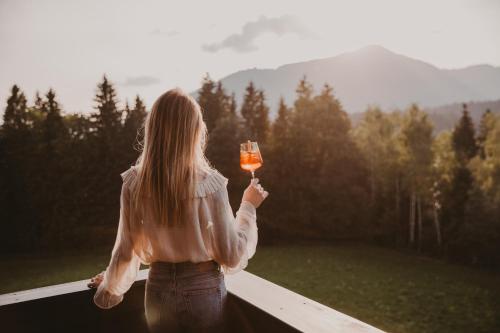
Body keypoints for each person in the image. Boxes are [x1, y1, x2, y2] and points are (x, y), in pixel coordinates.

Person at [88, 88, 268, 332]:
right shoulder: (211, 184)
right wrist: (248, 206)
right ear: (194, 132)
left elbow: (126, 249)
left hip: (157, 291)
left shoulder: (134, 183)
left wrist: (109, 287)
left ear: (153, 129)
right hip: (203, 290)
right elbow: (231, 254)